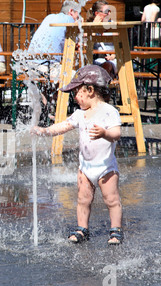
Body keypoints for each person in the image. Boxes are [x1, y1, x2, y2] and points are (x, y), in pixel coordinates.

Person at [30, 65, 123, 245]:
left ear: (90, 90)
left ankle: (116, 230)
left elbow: (117, 134)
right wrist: (45, 131)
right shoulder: (81, 114)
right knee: (82, 199)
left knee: (112, 199)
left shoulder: (109, 111)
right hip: (86, 166)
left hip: (106, 166)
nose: (74, 97)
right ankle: (82, 229)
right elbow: (63, 126)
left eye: (77, 92)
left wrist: (105, 133)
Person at [27, 0, 81, 124]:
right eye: (78, 14)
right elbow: (77, 43)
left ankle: (48, 109)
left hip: (30, 64)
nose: (78, 17)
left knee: (55, 79)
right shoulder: (69, 20)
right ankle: (68, 112)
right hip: (46, 64)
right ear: (71, 11)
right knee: (75, 77)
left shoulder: (49, 17)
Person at [87, 0, 117, 79]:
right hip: (96, 60)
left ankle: (101, 88)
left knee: (108, 65)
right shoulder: (89, 26)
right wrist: (94, 27)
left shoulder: (113, 25)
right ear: (97, 14)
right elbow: (87, 45)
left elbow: (119, 45)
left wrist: (114, 55)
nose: (109, 14)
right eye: (106, 12)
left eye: (109, 11)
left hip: (111, 60)